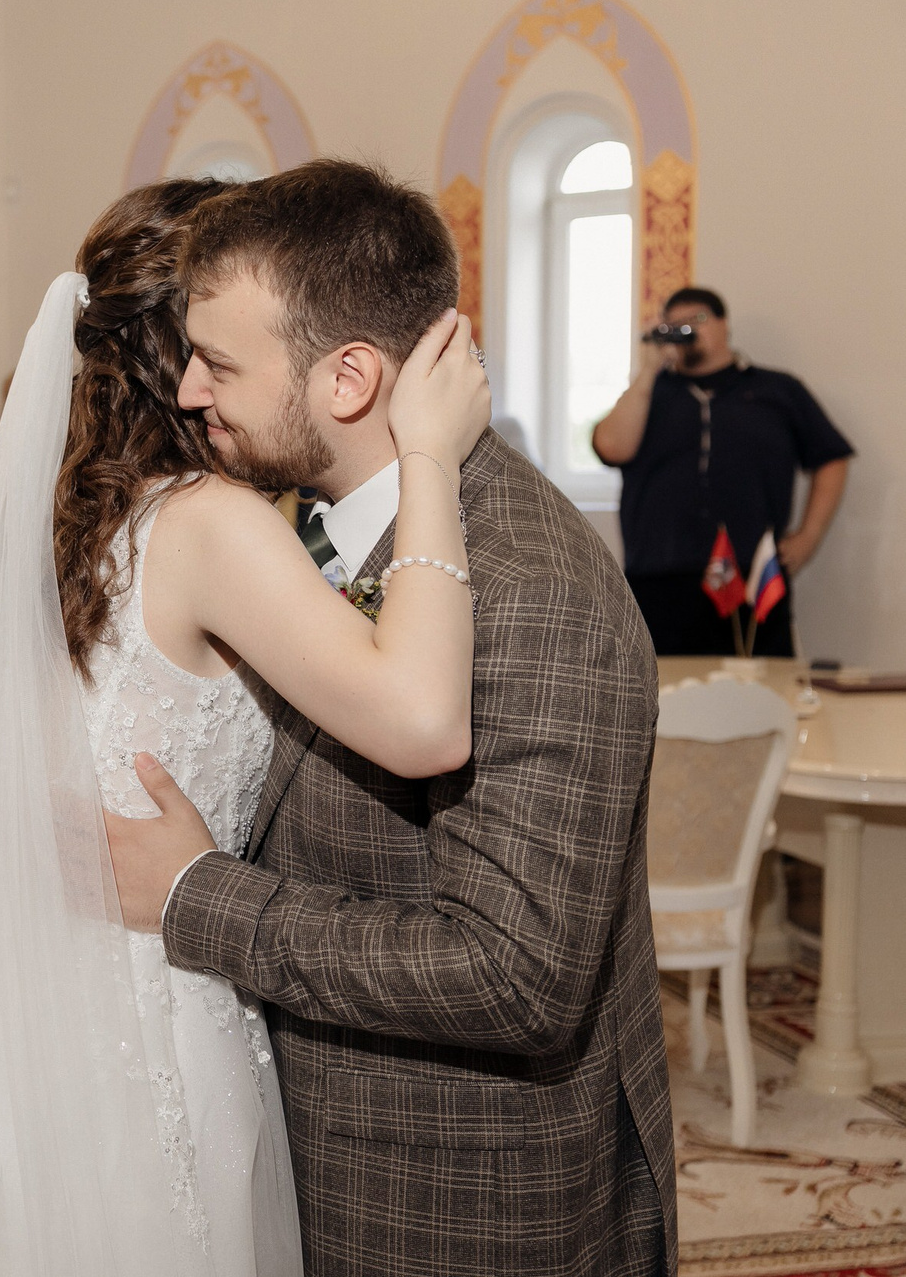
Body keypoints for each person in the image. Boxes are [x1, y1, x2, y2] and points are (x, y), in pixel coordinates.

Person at [95, 164, 672, 1273]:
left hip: (454, 1197)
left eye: (220, 363)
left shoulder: (533, 591)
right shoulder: (300, 527)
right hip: (311, 1142)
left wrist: (193, 894)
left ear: (349, 377)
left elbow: (514, 972)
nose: (191, 391)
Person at [591, 286, 855, 656]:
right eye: (675, 324)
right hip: (659, 575)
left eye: (697, 319)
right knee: (662, 685)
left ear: (724, 324)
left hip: (752, 574)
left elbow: (831, 458)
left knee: (761, 683)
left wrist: (808, 537)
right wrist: (649, 371)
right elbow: (611, 448)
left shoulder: (776, 390)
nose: (687, 329)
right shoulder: (649, 394)